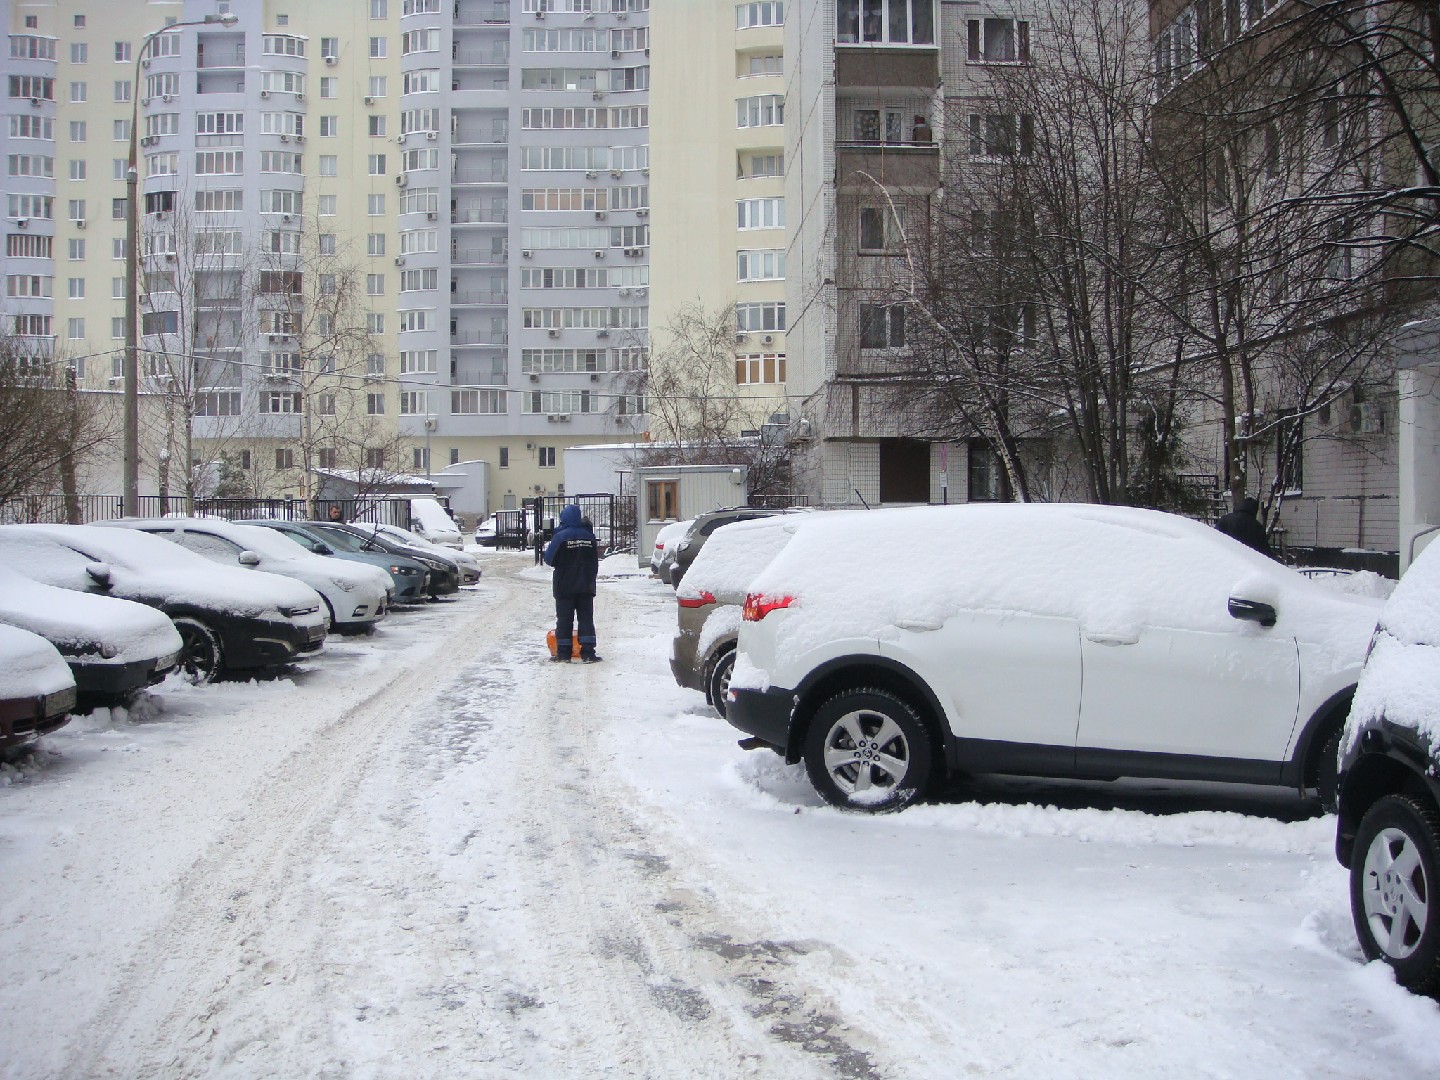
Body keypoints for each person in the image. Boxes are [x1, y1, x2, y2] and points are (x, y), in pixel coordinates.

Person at [543, 504, 602, 663]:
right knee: (586, 618)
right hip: (585, 585)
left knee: (564, 619)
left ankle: (563, 654)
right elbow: (594, 562)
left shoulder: (561, 537)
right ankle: (588, 653)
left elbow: (549, 559)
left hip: (564, 585)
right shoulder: (589, 536)